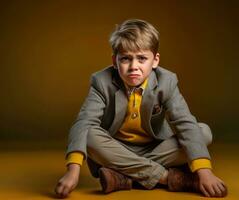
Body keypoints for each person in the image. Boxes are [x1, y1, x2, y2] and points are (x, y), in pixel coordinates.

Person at [55, 19, 227, 198]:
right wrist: (72, 171)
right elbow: (83, 123)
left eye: (142, 58)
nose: (133, 67)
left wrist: (205, 172)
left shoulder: (166, 81)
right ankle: (169, 178)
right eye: (126, 59)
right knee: (89, 135)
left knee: (203, 132)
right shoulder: (101, 81)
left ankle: (123, 176)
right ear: (115, 60)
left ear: (155, 60)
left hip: (157, 149)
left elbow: (185, 122)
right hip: (115, 149)